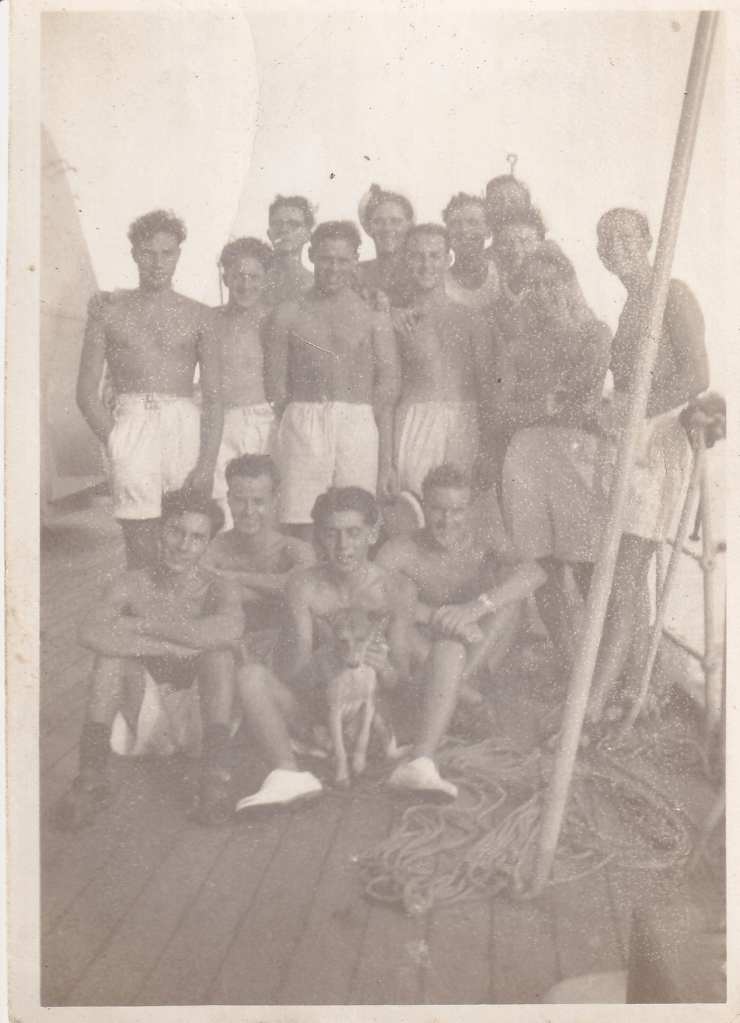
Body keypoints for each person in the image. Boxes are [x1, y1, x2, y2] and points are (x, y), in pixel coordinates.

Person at [54, 489, 245, 831]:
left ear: (208, 545)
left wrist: (144, 626)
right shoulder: (131, 583)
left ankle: (216, 778)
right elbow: (88, 632)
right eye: (175, 531)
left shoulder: (220, 587)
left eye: (197, 538)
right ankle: (90, 777)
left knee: (218, 654)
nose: (183, 546)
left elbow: (229, 631)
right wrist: (172, 647)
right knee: (110, 659)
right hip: (146, 714)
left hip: (200, 719)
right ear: (160, 531)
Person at [585, 207, 710, 723]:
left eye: (626, 238)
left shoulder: (672, 293)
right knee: (621, 568)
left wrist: (635, 414)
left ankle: (599, 700)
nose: (616, 249)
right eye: (606, 241)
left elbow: (697, 375)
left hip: (657, 440)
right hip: (631, 436)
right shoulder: (631, 305)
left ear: (648, 241)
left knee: (628, 566)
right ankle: (637, 686)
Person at [233, 485, 417, 810]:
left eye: (353, 533)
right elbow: (292, 677)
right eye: (332, 534)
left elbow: (400, 683)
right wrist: (324, 661)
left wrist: (382, 665)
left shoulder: (396, 589)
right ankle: (289, 773)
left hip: (368, 715)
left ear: (373, 534)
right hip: (316, 713)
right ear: (318, 539)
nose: (343, 545)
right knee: (250, 676)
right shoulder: (303, 585)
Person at [376, 464, 546, 797]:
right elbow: (371, 596)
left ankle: (460, 689)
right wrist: (436, 616)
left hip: (478, 653)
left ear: (471, 509)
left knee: (511, 599)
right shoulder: (401, 549)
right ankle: (465, 698)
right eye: (438, 509)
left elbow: (535, 573)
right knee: (397, 620)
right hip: (429, 656)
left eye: (457, 511)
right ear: (423, 506)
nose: (446, 520)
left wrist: (476, 608)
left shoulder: (486, 537)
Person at [76, 210, 223, 569]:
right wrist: (117, 439)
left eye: (167, 253)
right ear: (134, 254)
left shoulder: (200, 314)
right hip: (132, 423)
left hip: (184, 423)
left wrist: (206, 464)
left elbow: (216, 398)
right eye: (148, 253)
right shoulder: (108, 311)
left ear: (178, 255)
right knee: (140, 541)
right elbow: (84, 392)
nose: (158, 263)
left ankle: (183, 620)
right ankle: (142, 618)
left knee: (188, 534)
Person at [497, 243, 611, 670]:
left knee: (584, 561)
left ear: (569, 283)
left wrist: (537, 403)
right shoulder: (518, 342)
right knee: (540, 563)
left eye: (552, 284)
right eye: (534, 286)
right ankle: (568, 664)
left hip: (576, 452)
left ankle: (596, 669)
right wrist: (541, 404)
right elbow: (500, 409)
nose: (543, 293)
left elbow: (580, 400)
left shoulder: (594, 332)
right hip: (526, 454)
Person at [263, 220, 400, 538]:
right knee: (301, 524)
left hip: (358, 423)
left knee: (357, 524)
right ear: (311, 256)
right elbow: (275, 385)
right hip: (303, 420)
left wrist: (383, 456)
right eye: (326, 258)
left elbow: (389, 385)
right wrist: (303, 418)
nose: (334, 268)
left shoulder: (373, 314)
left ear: (355, 261)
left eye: (343, 260)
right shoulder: (288, 313)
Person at [393, 223, 494, 497]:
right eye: (417, 255)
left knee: (462, 512)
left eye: (435, 255)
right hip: (414, 421)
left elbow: (487, 390)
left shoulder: (472, 320)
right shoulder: (396, 321)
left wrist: (487, 448)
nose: (426, 264)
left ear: (448, 259)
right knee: (413, 510)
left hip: (464, 422)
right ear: (405, 260)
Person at [210, 237, 277, 529]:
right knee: (224, 509)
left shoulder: (277, 318)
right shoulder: (209, 320)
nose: (246, 284)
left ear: (267, 278)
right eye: (238, 276)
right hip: (222, 423)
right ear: (225, 276)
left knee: (268, 508)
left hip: (266, 421)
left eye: (254, 276)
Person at [357, 184, 415, 310]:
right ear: (368, 226)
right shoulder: (358, 272)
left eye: (395, 221)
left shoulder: (420, 270)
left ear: (409, 225)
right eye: (378, 222)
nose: (387, 228)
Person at [442, 192, 499, 311]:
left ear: (488, 230)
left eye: (473, 223)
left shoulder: (500, 275)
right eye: (455, 224)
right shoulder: (440, 281)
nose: (464, 230)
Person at [263, 195, 315, 306]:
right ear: (269, 234)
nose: (284, 230)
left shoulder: (314, 284)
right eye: (277, 224)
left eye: (293, 224)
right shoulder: (255, 283)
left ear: (307, 235)